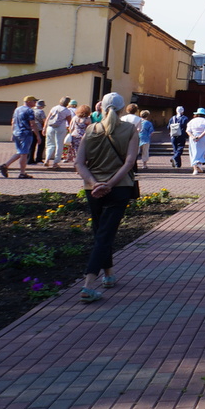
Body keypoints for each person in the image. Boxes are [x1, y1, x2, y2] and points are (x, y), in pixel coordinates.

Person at [74, 92, 139, 303]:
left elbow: (79, 163)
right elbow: (129, 162)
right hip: (119, 187)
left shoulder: (91, 129)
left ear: (101, 108)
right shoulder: (130, 129)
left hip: (92, 189)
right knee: (105, 234)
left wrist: (95, 183)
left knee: (100, 232)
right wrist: (110, 184)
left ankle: (109, 274)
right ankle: (88, 285)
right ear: (121, 109)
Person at [0, 95, 37, 179]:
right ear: (29, 102)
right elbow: (32, 124)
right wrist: (38, 136)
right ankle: (22, 173)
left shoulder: (17, 109)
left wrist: (12, 133)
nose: (35, 103)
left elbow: (13, 122)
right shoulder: (29, 110)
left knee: (20, 152)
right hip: (26, 133)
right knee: (24, 153)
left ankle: (5, 165)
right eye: (34, 101)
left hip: (17, 132)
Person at [44, 97, 72, 169]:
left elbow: (47, 118)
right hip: (60, 128)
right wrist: (70, 130)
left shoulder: (54, 108)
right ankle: (55, 162)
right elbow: (69, 122)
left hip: (50, 127)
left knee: (50, 144)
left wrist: (44, 128)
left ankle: (47, 159)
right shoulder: (67, 111)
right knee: (59, 145)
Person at [186, 109, 205, 174]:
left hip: (193, 136)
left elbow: (188, 131)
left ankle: (195, 168)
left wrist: (193, 137)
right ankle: (199, 164)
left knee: (193, 152)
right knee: (202, 152)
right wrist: (199, 137)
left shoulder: (192, 121)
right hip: (202, 137)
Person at [31, 100, 46, 165]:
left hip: (32, 129)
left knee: (32, 145)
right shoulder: (41, 112)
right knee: (41, 144)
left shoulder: (31, 111)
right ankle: (39, 159)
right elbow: (44, 120)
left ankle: (30, 159)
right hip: (39, 129)